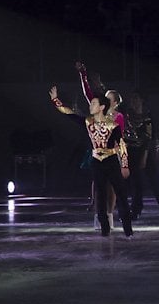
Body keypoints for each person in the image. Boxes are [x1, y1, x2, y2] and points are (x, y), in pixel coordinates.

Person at [49, 84, 133, 237]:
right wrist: (55, 100)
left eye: (93, 103)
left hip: (112, 160)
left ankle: (128, 229)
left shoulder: (112, 125)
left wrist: (125, 165)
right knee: (99, 195)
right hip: (97, 161)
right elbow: (69, 113)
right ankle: (104, 228)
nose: (90, 105)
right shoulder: (88, 122)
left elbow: (121, 144)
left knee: (120, 193)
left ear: (101, 107)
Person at [76, 61, 124, 228]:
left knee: (110, 186)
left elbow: (120, 136)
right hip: (98, 151)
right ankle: (99, 217)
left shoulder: (118, 116)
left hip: (112, 152)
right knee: (99, 184)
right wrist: (83, 75)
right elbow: (87, 93)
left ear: (116, 102)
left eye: (110, 98)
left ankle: (109, 218)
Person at [125, 91, 159, 218]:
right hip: (131, 151)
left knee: (155, 181)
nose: (133, 101)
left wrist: (146, 155)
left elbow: (150, 137)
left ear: (142, 100)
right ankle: (136, 209)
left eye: (136, 98)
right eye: (132, 98)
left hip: (144, 150)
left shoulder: (147, 117)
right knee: (136, 182)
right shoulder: (126, 116)